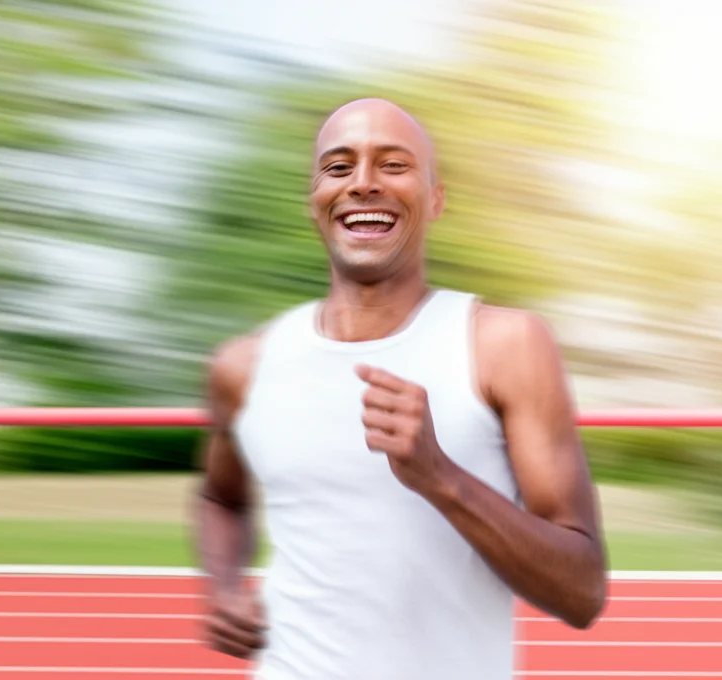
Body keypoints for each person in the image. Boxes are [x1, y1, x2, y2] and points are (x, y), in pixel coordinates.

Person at [193, 97, 607, 680]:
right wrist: (223, 585)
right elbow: (221, 499)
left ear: (435, 199)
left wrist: (440, 477)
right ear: (314, 201)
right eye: (339, 167)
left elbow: (582, 592)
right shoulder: (243, 366)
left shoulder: (506, 346)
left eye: (393, 164)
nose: (362, 183)